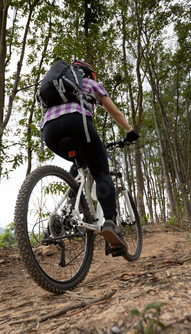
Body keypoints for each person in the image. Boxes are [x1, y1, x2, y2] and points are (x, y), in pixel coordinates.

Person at [41, 60, 140, 252]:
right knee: (101, 172)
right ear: (89, 74)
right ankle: (111, 225)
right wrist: (129, 130)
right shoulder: (87, 83)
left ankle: (66, 212)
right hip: (76, 122)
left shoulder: (56, 89)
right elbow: (115, 111)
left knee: (80, 162)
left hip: (49, 131)